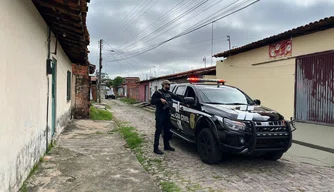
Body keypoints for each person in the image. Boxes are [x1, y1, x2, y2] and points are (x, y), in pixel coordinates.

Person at [150, 80, 183, 155]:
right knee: (158, 131)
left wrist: (185, 101)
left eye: (169, 85)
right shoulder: (158, 93)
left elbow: (177, 98)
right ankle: (155, 148)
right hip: (160, 114)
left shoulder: (169, 93)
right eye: (167, 85)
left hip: (167, 114)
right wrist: (160, 100)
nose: (169, 86)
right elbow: (152, 101)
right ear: (163, 85)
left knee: (167, 131)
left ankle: (166, 145)